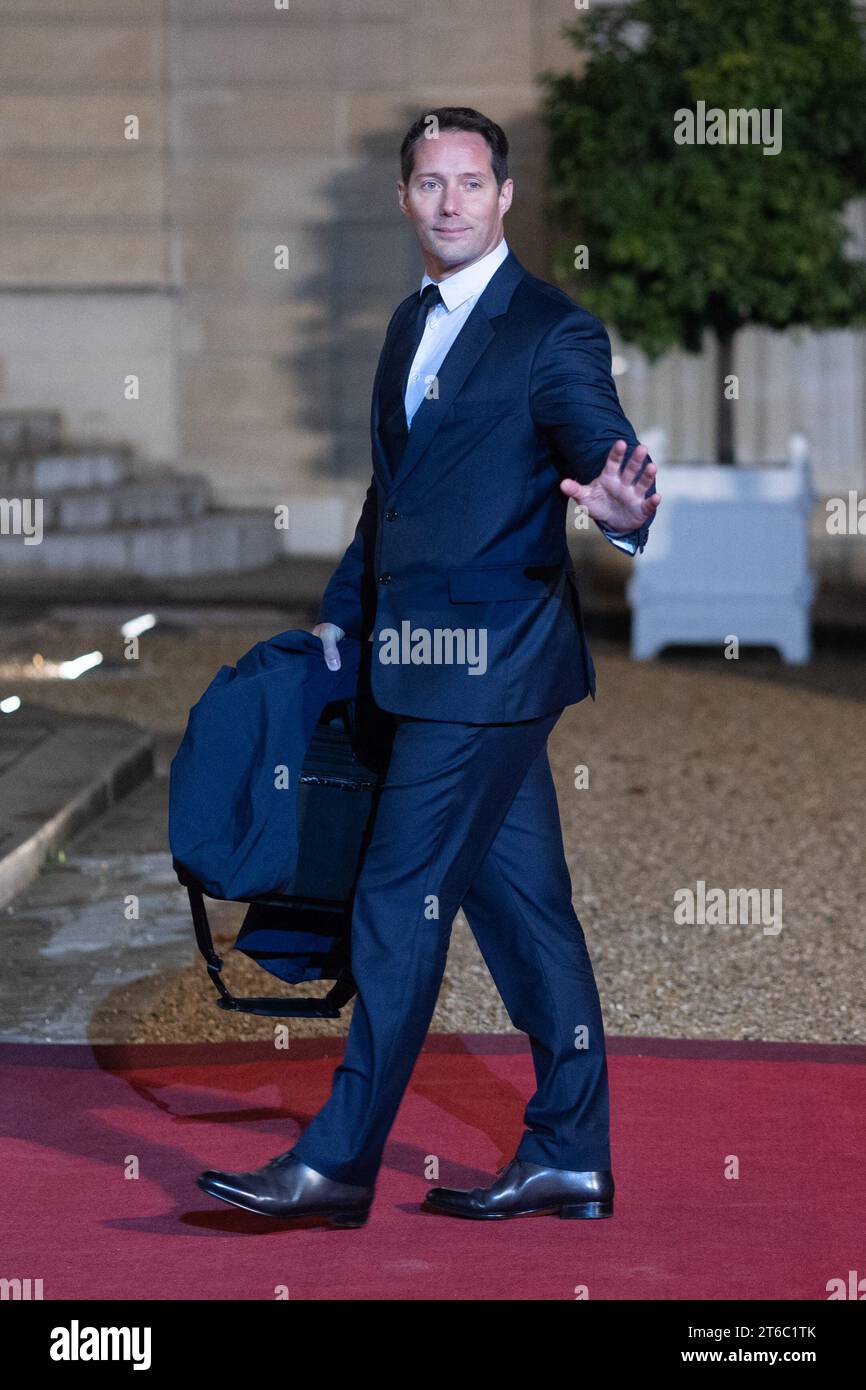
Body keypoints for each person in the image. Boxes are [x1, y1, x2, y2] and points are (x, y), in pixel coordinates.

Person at [198, 106, 660, 1227]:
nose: (450, 202)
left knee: (397, 902)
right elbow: (388, 502)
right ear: (404, 199)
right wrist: (335, 625)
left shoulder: (552, 330)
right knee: (526, 916)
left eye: (470, 183)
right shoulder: (410, 324)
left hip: (489, 674)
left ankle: (336, 1164)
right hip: (414, 666)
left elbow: (599, 448)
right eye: (428, 184)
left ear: (504, 198)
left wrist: (619, 510)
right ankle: (570, 1152)